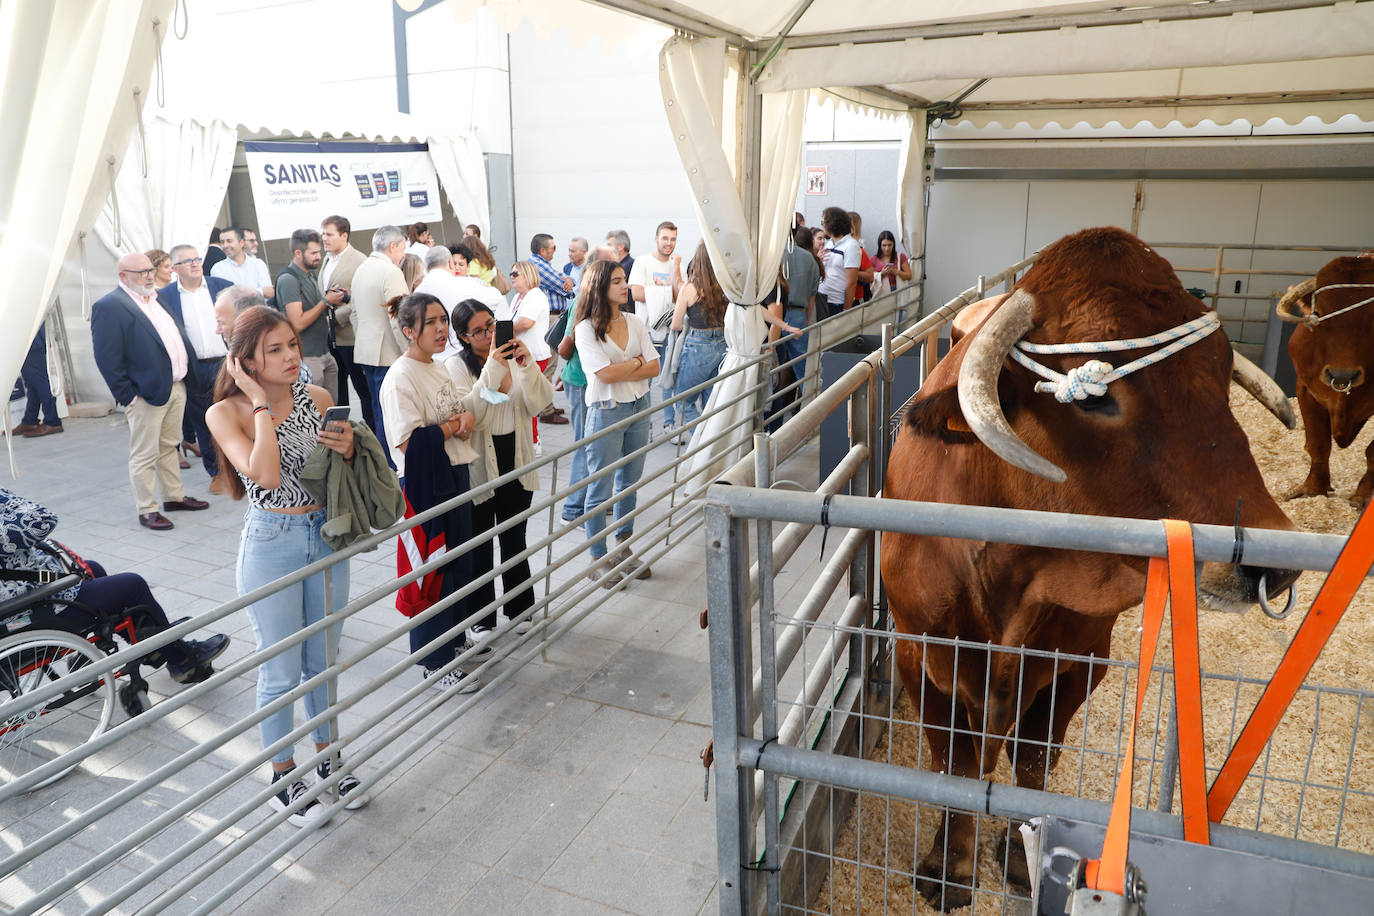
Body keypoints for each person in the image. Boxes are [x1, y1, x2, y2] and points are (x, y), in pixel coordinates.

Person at [205, 305, 369, 826]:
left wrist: (345, 450)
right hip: (271, 538)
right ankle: (283, 776)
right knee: (279, 670)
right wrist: (258, 403)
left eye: (292, 345)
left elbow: (326, 471)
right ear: (244, 361)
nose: (290, 357)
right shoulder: (225, 413)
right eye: (273, 350)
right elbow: (267, 478)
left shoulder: (318, 398)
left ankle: (328, 759)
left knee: (323, 659)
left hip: (323, 534)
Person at [0, 487, 229, 682]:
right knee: (132, 585)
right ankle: (183, 661)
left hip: (20, 598)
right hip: (27, 613)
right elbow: (43, 518)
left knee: (93, 569)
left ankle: (151, 648)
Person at [378, 293, 482, 693]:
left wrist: (466, 416)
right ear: (409, 331)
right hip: (424, 487)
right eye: (431, 323)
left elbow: (453, 414)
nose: (442, 329)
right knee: (432, 573)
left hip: (455, 476)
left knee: (459, 565)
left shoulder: (437, 367)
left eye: (443, 320)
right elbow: (407, 444)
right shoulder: (400, 377)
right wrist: (454, 427)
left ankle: (453, 641)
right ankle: (433, 661)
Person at [448, 299, 552, 642]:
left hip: (517, 457)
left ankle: (520, 607)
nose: (490, 334)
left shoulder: (517, 359)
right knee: (480, 544)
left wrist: (526, 366)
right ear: (463, 337)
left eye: (492, 325)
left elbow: (539, 404)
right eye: (479, 331)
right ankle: (482, 617)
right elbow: (471, 415)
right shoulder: (456, 368)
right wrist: (493, 367)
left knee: (514, 537)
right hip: (480, 464)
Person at [91, 252, 210, 531]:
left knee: (169, 445)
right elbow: (107, 358)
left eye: (149, 270)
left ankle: (174, 497)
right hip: (145, 394)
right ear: (123, 276)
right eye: (141, 272)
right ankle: (147, 509)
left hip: (176, 386)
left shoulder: (156, 298)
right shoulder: (110, 306)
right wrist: (129, 395)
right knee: (144, 454)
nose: (148, 275)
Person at [573, 260, 658, 587]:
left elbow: (655, 367)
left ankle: (623, 545)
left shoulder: (635, 321)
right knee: (601, 486)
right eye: (618, 282)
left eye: (625, 281)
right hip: (606, 410)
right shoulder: (585, 327)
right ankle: (598, 555)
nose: (625, 286)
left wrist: (628, 365)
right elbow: (604, 374)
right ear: (600, 287)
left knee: (631, 482)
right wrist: (637, 362)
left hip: (639, 405)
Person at [157, 244, 232, 492]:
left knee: (235, 416)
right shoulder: (165, 297)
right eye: (187, 261)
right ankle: (217, 472)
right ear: (175, 268)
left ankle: (242, 467)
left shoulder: (221, 287)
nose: (194, 263)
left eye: (197, 259)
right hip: (195, 367)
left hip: (226, 362)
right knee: (204, 422)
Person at [350, 225, 410, 459]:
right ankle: (393, 466)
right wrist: (408, 351)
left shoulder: (361, 269)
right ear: (393, 246)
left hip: (366, 351)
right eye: (402, 248)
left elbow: (354, 315)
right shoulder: (390, 271)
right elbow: (398, 317)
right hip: (389, 353)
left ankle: (385, 463)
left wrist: (364, 342)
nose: (403, 254)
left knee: (378, 411)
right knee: (391, 413)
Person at [668, 241, 730, 435]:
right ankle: (713, 446)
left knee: (683, 401)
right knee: (711, 402)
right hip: (723, 344)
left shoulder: (689, 288)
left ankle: (701, 444)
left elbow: (676, 324)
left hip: (697, 346)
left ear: (697, 262)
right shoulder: (726, 286)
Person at [276, 229, 344, 403]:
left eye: (319, 252)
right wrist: (325, 301)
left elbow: (317, 307)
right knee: (314, 412)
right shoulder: (288, 280)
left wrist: (332, 298)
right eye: (313, 253)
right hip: (308, 357)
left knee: (332, 411)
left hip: (325, 354)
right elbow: (296, 323)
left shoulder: (310, 274)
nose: (318, 256)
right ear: (298, 253)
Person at [629, 221, 683, 435]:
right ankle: (646, 427)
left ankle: (669, 424)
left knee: (668, 378)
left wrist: (677, 267)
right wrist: (667, 293)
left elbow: (682, 295)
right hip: (646, 331)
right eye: (665, 238)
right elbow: (637, 294)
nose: (669, 243)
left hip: (670, 330)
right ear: (656, 238)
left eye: (673, 239)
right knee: (646, 381)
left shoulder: (676, 263)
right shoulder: (642, 262)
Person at [319, 215, 367, 418]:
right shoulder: (326, 260)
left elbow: (360, 299)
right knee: (338, 394)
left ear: (344, 236)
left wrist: (337, 317)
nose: (324, 238)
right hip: (330, 340)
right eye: (323, 234)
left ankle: (371, 435)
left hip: (351, 338)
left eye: (329, 234)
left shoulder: (359, 261)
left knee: (363, 391)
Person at [505, 262, 556, 451]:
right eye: (511, 273)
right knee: (521, 398)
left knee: (527, 400)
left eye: (515, 273)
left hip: (533, 355)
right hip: (521, 354)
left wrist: (501, 330)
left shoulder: (535, 295)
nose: (512, 276)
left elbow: (525, 323)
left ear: (527, 275)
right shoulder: (519, 297)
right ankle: (529, 440)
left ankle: (534, 442)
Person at [817, 207, 861, 319]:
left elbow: (851, 282)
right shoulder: (828, 243)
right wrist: (818, 260)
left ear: (833, 223)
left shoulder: (851, 245)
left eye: (823, 222)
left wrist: (846, 310)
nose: (822, 224)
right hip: (821, 296)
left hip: (837, 301)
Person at [211, 228, 274, 300]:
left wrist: (240, 293)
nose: (225, 245)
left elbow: (269, 292)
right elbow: (227, 298)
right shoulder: (218, 268)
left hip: (260, 310)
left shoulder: (258, 264)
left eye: (229, 241)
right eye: (222, 242)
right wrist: (259, 291)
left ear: (241, 243)